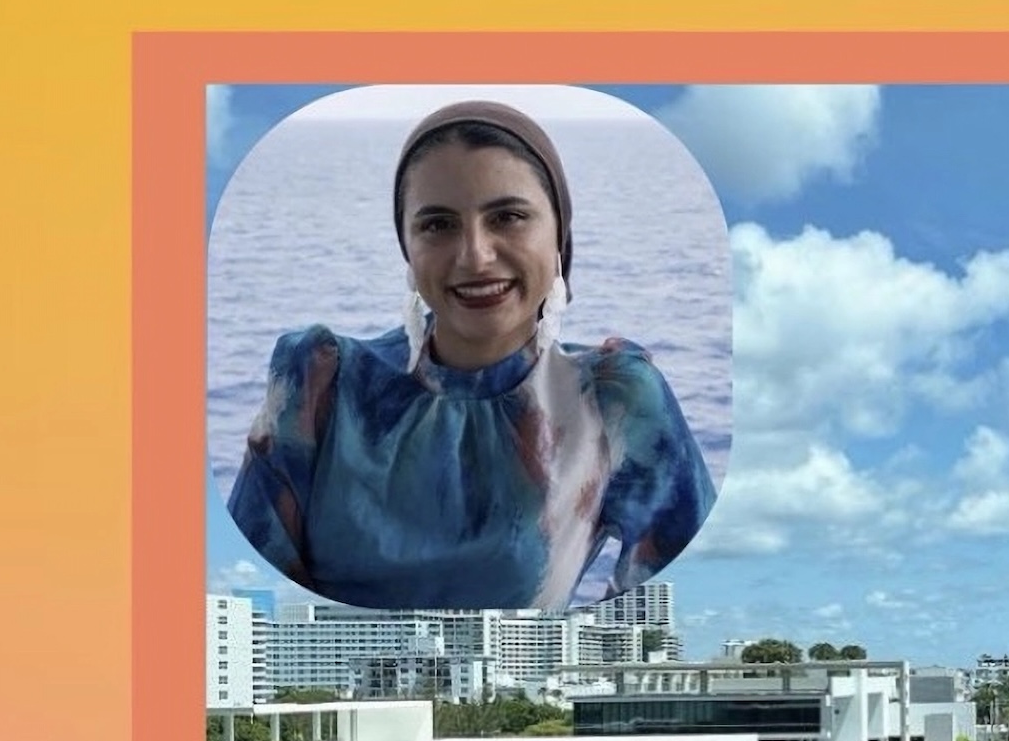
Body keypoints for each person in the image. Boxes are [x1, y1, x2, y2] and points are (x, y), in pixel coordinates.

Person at [226, 100, 717, 611]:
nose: (475, 256)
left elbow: (660, 604)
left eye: (508, 217)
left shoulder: (613, 401)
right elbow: (256, 603)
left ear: (559, 237)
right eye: (438, 225)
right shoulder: (320, 383)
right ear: (408, 249)